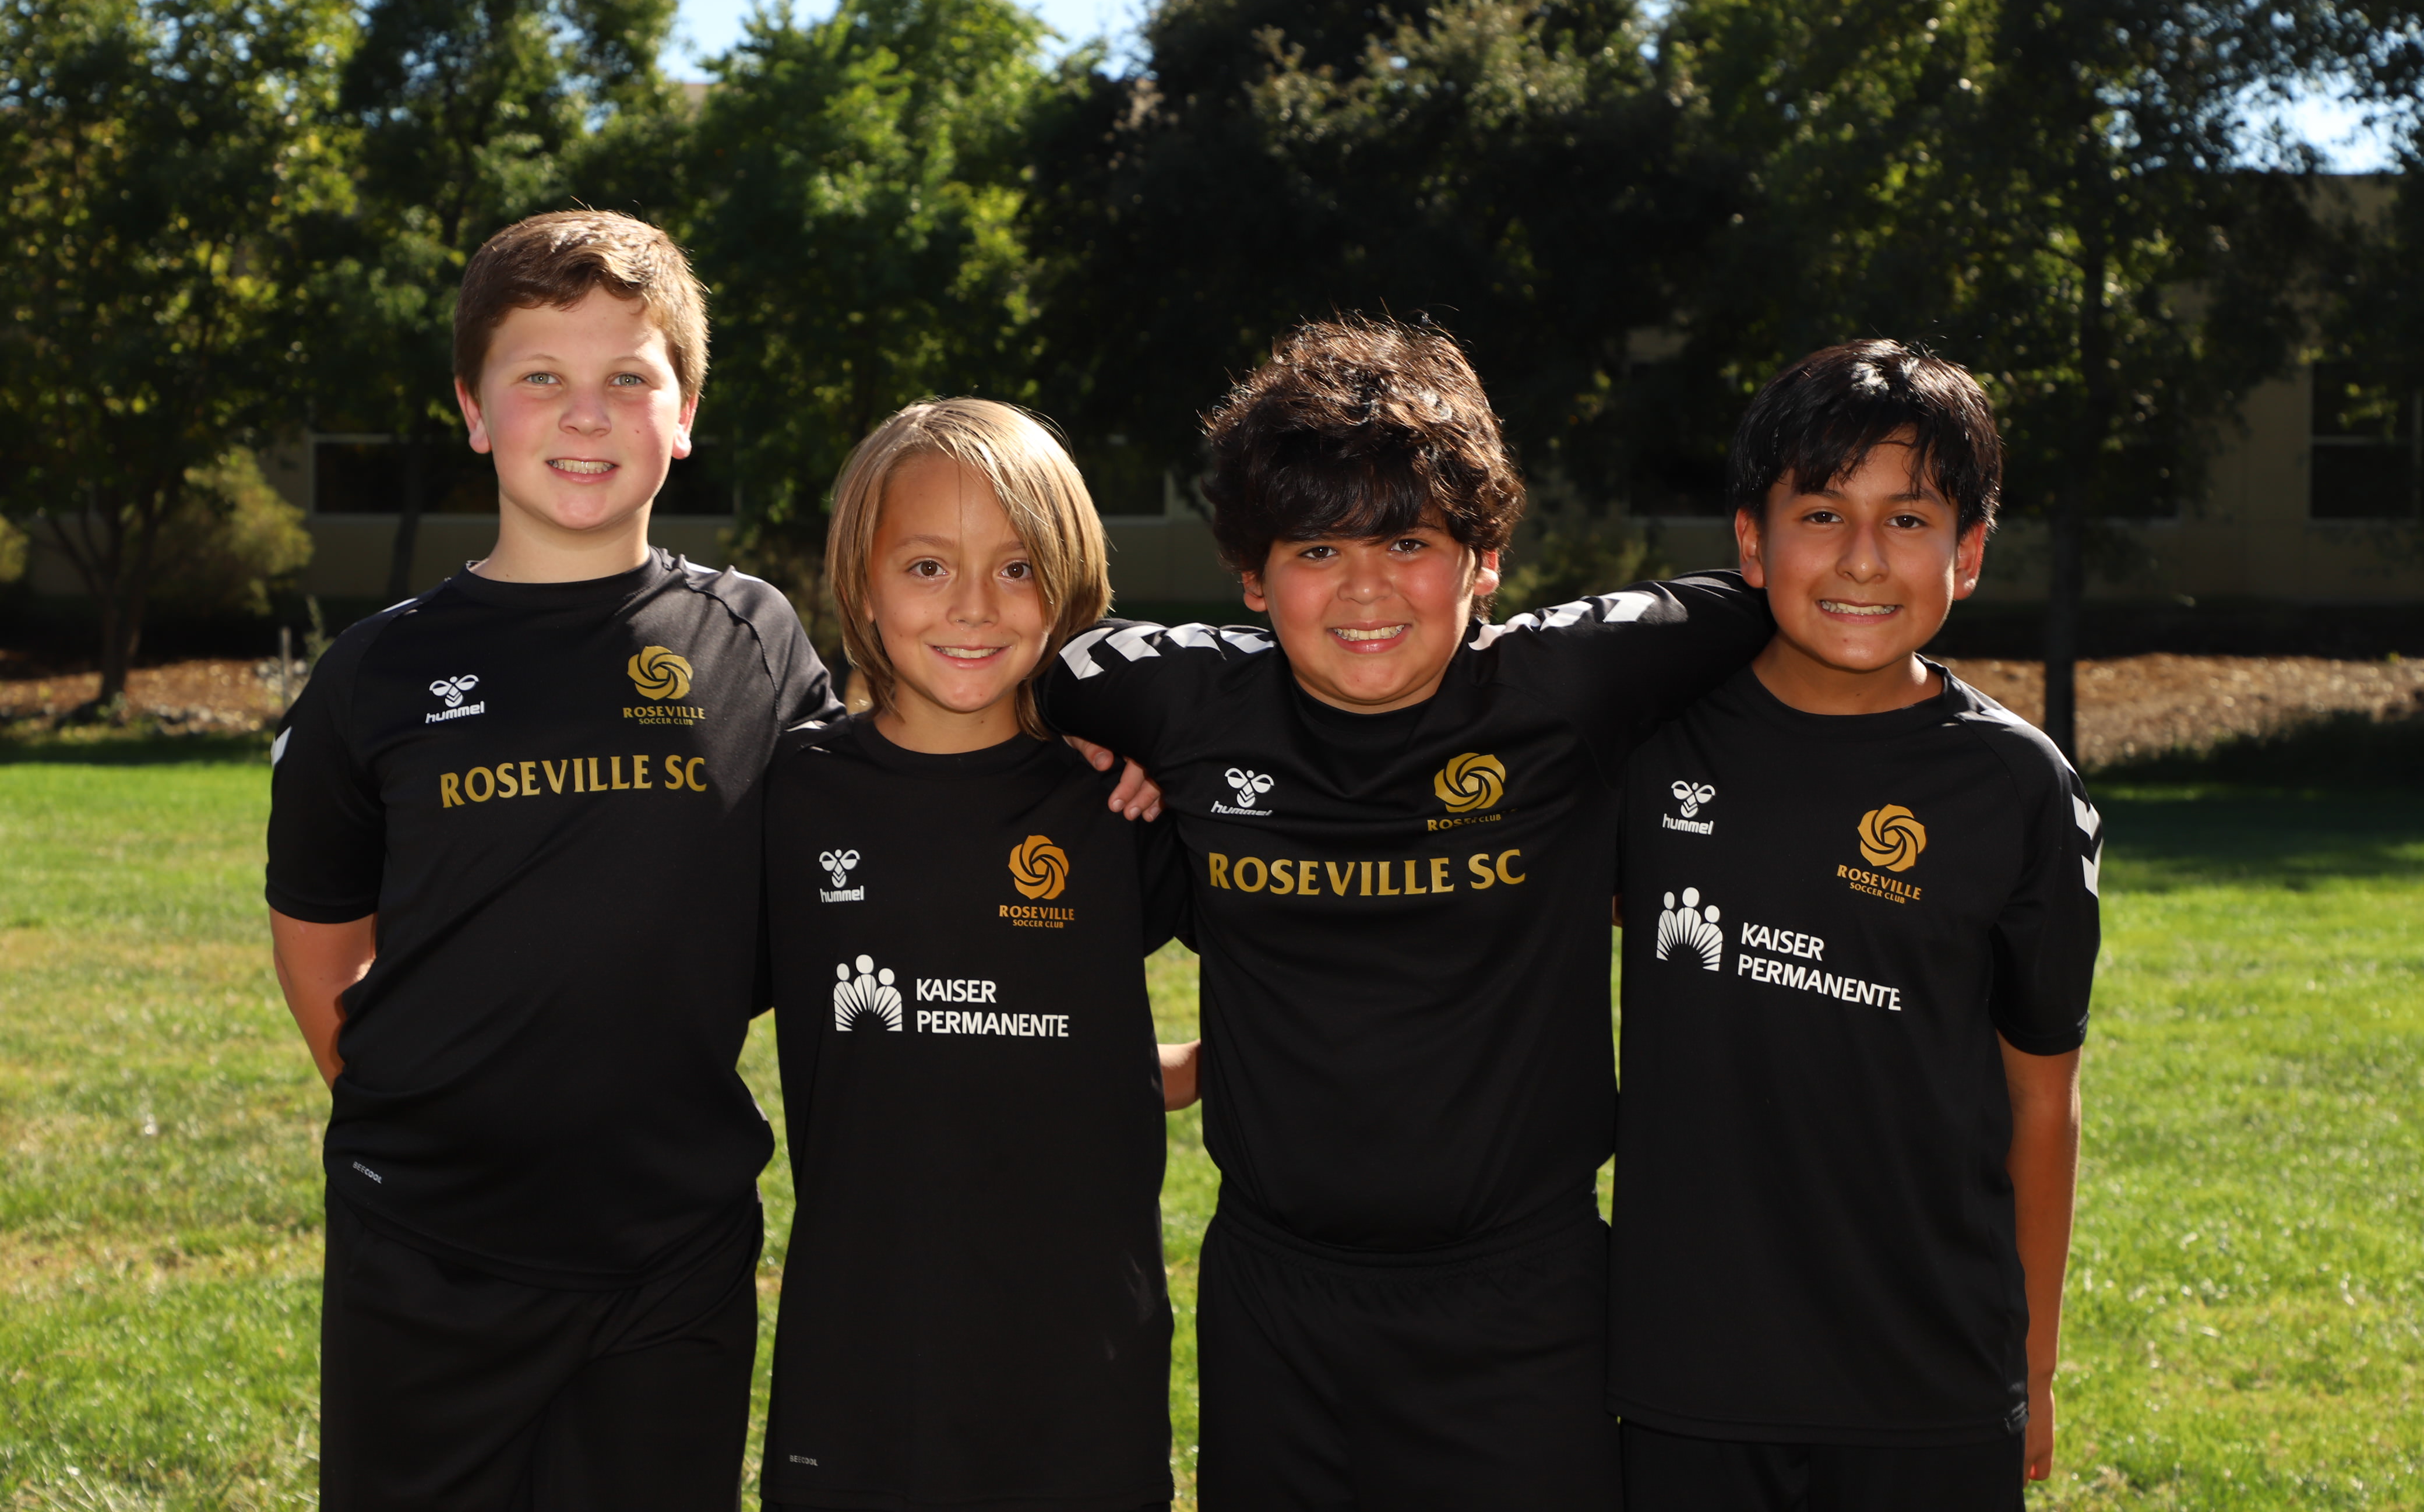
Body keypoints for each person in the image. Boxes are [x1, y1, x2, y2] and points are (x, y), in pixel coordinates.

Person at [260, 212, 1148, 1510]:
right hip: (428, 1245)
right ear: (471, 407)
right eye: (540, 376)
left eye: (629, 378)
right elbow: (321, 944)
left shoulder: (753, 640)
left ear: (683, 416)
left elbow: (897, 816)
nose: (586, 414)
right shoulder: (376, 673)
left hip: (674, 1252)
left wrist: (1084, 729)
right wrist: (437, 1129)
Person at [1035, 316, 1773, 1510]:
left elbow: (1784, 594)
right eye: (1316, 548)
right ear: (1252, 576)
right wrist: (1070, 740)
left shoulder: (1566, 684)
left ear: (1485, 558)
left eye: (1409, 541)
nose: (1365, 587)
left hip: (1521, 1304)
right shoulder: (1174, 697)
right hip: (1277, 1308)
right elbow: (1021, 659)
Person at [1605, 341, 2099, 1510]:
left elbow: (2042, 1098)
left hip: (1928, 1381)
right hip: (1689, 1377)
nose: (1863, 558)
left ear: (1967, 554)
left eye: (1909, 519)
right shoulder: (1643, 747)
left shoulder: (2018, 786)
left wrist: (2031, 1363)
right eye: (1821, 513)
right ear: (1751, 542)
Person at [757, 400, 1196, 1512]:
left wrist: (1174, 1067)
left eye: (1017, 568)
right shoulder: (788, 795)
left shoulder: (1125, 797)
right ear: (861, 584)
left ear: (1071, 581)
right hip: (863, 1368)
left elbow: (1309, 949)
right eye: (925, 566)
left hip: (1084, 1371)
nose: (972, 606)